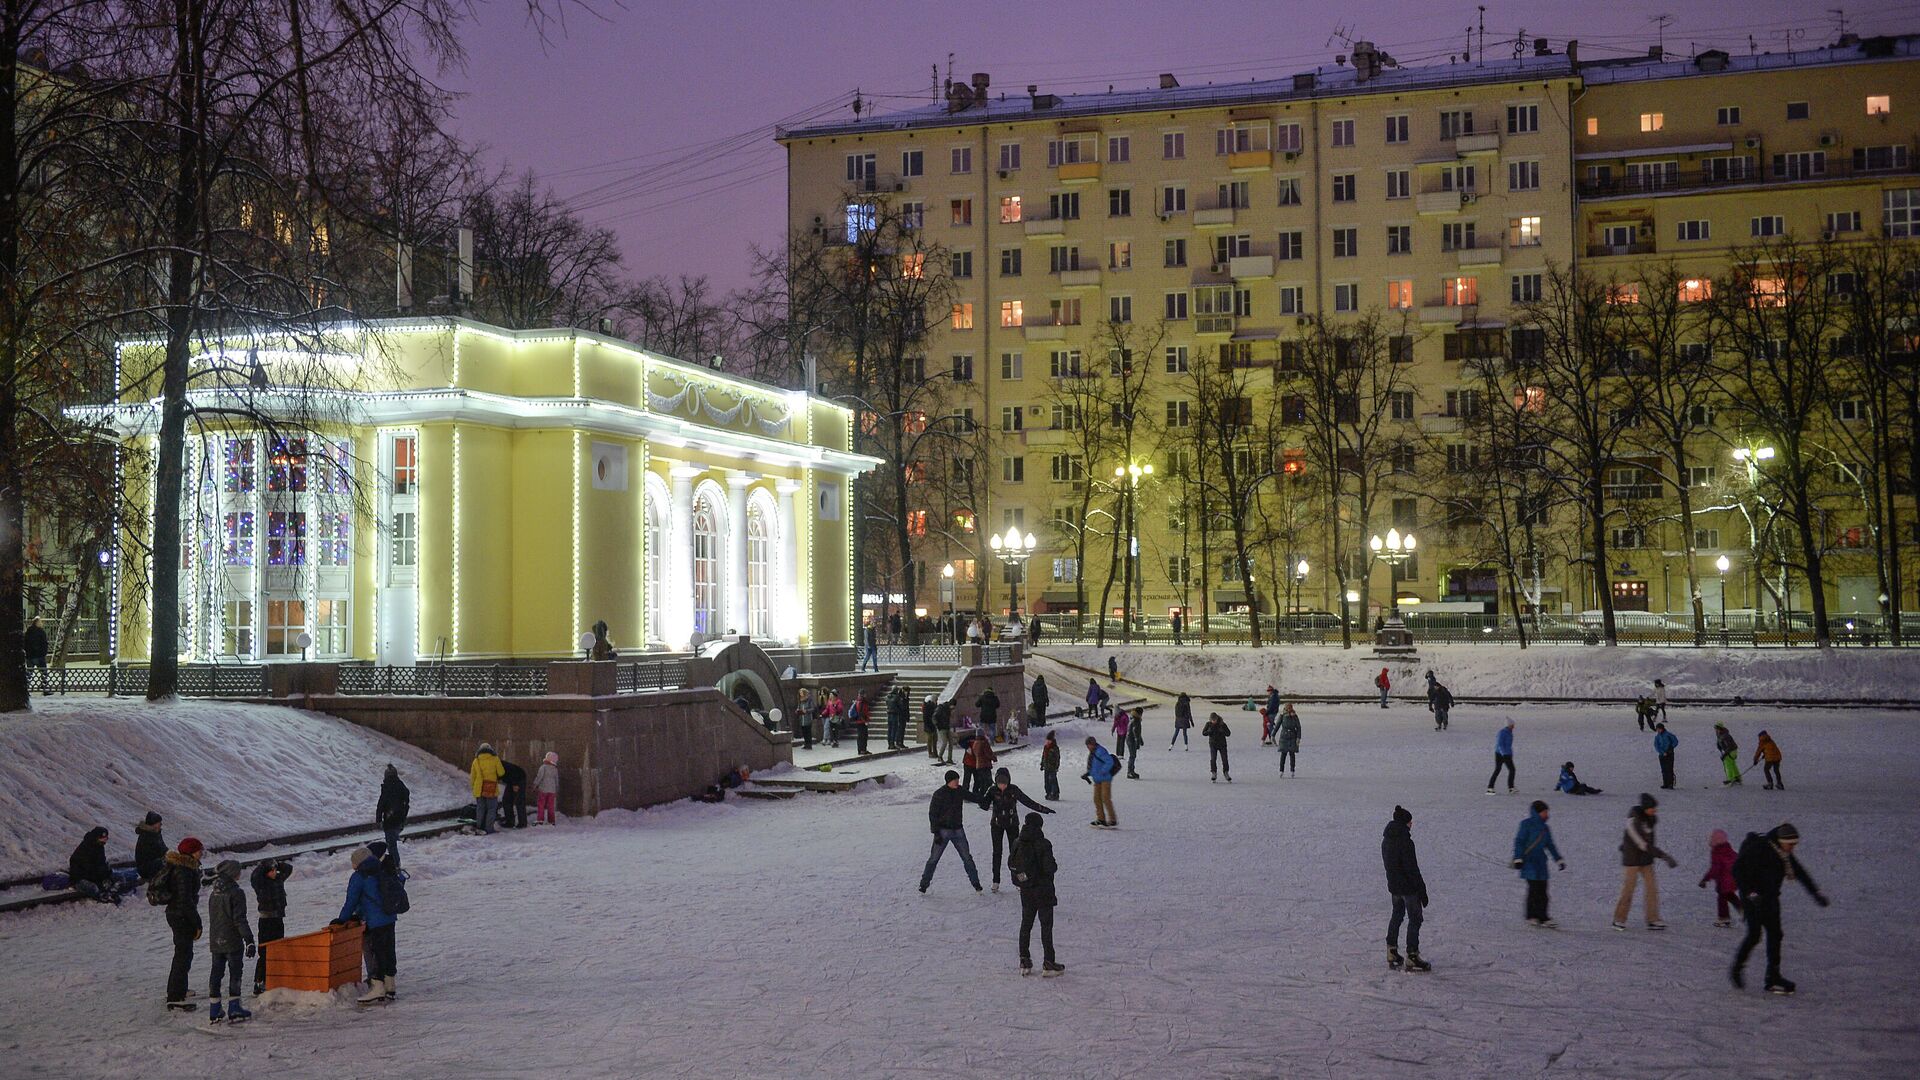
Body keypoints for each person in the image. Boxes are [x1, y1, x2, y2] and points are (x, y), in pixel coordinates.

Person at [1731, 822, 1829, 994]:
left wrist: (1816, 893)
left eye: (1794, 845)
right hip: (1752, 899)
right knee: (1754, 935)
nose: (1792, 848)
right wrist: (1750, 893)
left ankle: (1773, 977)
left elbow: (1800, 873)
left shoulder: (1783, 853)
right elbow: (1738, 870)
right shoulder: (1760, 849)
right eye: (1790, 844)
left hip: (1770, 898)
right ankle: (1737, 968)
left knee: (1775, 934)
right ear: (1781, 840)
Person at [334, 845, 399, 1003]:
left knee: (377, 953)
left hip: (375, 921)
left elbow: (351, 901)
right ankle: (390, 986)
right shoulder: (382, 868)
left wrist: (342, 919)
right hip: (390, 917)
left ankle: (377, 987)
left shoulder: (359, 876)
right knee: (389, 950)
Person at [981, 766, 1053, 891]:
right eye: (999, 783)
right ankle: (996, 881)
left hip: (1012, 824)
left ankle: (1019, 879)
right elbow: (983, 803)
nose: (1002, 786)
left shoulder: (1013, 790)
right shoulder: (992, 790)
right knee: (997, 853)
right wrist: (982, 800)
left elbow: (1027, 801)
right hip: (996, 825)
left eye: (1004, 783)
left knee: (1016, 853)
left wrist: (1042, 809)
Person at [1612, 793, 1677, 930]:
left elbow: (1649, 841)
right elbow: (1642, 844)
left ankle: (1652, 919)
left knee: (1652, 889)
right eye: (1652, 808)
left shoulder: (1650, 819)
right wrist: (1664, 856)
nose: (1655, 810)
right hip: (1632, 859)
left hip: (1646, 859)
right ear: (1645, 808)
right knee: (1628, 889)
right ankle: (1619, 919)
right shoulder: (1633, 821)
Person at [1009, 813, 1063, 976]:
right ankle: (1048, 962)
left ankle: (1024, 960)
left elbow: (1011, 863)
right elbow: (1049, 868)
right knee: (1046, 926)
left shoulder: (1017, 842)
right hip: (1043, 889)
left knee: (1026, 924)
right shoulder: (1043, 844)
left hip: (1026, 890)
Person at [203, 860, 255, 1023]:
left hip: (216, 939)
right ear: (233, 873)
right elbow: (239, 919)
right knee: (235, 972)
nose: (240, 874)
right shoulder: (236, 892)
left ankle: (215, 1007)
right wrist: (249, 940)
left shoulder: (214, 892)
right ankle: (234, 1006)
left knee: (216, 972)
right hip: (232, 940)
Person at [1382, 805, 1431, 972]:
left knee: (1397, 915)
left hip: (1394, 886)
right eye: (1410, 822)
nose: (1412, 825)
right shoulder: (1406, 842)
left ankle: (1392, 951)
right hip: (1408, 888)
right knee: (1415, 919)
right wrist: (1422, 891)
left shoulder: (1386, 839)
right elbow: (1412, 869)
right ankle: (1412, 955)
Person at [159, 837, 205, 1011]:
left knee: (184, 954)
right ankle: (175, 997)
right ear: (191, 852)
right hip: (180, 915)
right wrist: (197, 923)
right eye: (199, 850)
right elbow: (186, 901)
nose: (201, 853)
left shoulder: (185, 867)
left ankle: (179, 989)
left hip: (177, 913)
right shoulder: (184, 871)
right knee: (182, 956)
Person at [918, 771, 984, 893]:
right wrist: (936, 832)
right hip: (943, 831)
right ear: (948, 781)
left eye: (958, 780)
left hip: (958, 830)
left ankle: (976, 884)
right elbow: (933, 815)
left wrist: (986, 797)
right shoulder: (939, 794)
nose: (957, 783)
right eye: (955, 780)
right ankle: (924, 884)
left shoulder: (959, 790)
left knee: (967, 858)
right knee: (934, 859)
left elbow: (973, 797)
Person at [1511, 801, 1566, 927]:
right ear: (1537, 812)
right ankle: (1532, 915)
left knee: (1543, 891)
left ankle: (1543, 916)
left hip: (1541, 863)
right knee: (1534, 890)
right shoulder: (1526, 825)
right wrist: (1518, 858)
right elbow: (1519, 841)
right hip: (1529, 863)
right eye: (1544, 812)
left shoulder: (1545, 828)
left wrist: (1558, 859)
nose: (1547, 815)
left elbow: (1550, 845)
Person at [248, 859, 292, 994]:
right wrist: (263, 866)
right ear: (265, 872)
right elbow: (254, 876)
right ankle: (259, 981)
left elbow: (288, 868)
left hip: (278, 919)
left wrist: (277, 864)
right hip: (266, 921)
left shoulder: (278, 879)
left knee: (278, 949)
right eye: (271, 871)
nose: (274, 872)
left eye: (275, 870)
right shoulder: (260, 883)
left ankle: (273, 978)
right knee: (265, 951)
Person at [68, 826, 121, 904]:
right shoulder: (85, 848)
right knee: (93, 887)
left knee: (117, 878)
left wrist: (107, 873)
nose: (105, 841)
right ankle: (102, 896)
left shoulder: (99, 847)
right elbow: (84, 868)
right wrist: (99, 876)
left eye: (106, 839)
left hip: (95, 876)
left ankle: (111, 891)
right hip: (81, 878)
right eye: (103, 838)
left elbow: (101, 863)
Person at [1699, 828, 1740, 928]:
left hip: (1723, 881)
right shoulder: (1729, 849)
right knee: (1730, 895)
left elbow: (1715, 869)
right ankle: (1743, 910)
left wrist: (1705, 879)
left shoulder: (1716, 852)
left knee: (1722, 898)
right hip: (1733, 879)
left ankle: (1724, 918)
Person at [1082, 737, 1120, 828]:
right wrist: (1088, 774)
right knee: (1096, 799)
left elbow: (1109, 762)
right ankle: (1101, 818)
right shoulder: (1093, 753)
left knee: (1105, 798)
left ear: (1093, 744)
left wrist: (1103, 771)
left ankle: (1113, 819)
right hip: (1097, 779)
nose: (1088, 747)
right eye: (1087, 745)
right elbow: (1094, 767)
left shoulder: (1100, 751)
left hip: (1105, 779)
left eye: (1089, 745)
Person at [376, 764, 410, 862]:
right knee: (392, 841)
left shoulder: (387, 788)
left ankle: (395, 865)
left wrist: (378, 819)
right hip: (400, 819)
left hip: (390, 820)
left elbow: (381, 804)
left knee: (391, 845)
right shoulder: (402, 786)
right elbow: (406, 802)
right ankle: (394, 863)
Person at [469, 743, 504, 834]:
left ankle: (479, 827)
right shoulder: (495, 759)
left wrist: (473, 787)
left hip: (479, 788)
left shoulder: (476, 760)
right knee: (491, 809)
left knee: (480, 808)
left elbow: (472, 776)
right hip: (491, 787)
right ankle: (489, 828)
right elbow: (501, 772)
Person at [963, 731, 997, 800]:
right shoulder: (982, 742)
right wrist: (993, 758)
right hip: (978, 764)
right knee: (983, 781)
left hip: (976, 764)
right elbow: (988, 753)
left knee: (976, 780)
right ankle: (979, 796)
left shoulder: (975, 742)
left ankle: (972, 795)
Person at [134, 811, 167, 883]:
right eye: (159, 822)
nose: (161, 824)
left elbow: (163, 849)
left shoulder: (156, 834)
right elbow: (154, 853)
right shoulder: (147, 836)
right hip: (145, 868)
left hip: (152, 864)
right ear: (153, 824)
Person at [1487, 720, 1516, 794]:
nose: (1513, 726)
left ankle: (1491, 787)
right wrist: (1504, 754)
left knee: (1503, 770)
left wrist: (1510, 753)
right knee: (1510, 770)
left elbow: (1508, 745)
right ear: (1509, 725)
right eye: (1512, 725)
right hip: (1501, 754)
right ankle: (1510, 788)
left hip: (1506, 754)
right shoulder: (1503, 732)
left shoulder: (1509, 733)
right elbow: (1500, 744)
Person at [1202, 712, 1232, 783]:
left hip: (1222, 744)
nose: (1213, 722)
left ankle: (1226, 772)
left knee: (1224, 759)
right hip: (1213, 744)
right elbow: (1203, 733)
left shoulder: (1222, 724)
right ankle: (1214, 772)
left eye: (1214, 720)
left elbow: (1228, 733)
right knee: (1213, 759)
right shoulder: (1208, 724)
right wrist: (1209, 731)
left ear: (1217, 719)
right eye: (1212, 720)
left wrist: (1223, 731)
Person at [500, 758, 529, 829]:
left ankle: (522, 823)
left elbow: (513, 772)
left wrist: (515, 784)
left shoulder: (499, 764)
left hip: (518, 778)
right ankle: (510, 822)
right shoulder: (493, 763)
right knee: (506, 800)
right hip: (511, 780)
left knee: (519, 801)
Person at [533, 751, 561, 825]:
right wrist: (557, 788)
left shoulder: (543, 767)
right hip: (552, 790)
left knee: (541, 805)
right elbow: (556, 780)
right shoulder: (555, 769)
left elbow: (539, 777)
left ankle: (540, 820)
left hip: (543, 789)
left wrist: (535, 785)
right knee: (551, 806)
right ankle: (551, 821)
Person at [24, 616, 48, 691]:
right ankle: (44, 687)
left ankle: (26, 686)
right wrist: (44, 653)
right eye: (40, 622)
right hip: (39, 655)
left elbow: (25, 643)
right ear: (37, 623)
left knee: (29, 672)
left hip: (30, 656)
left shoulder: (28, 632)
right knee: (44, 672)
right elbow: (44, 643)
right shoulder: (41, 632)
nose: (42, 623)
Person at [1276, 703, 1301, 776]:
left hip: (1293, 737)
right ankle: (1281, 770)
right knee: (1283, 754)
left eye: (1290, 708)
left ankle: (1292, 770)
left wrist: (1298, 737)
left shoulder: (1295, 717)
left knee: (1292, 754)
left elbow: (1298, 727)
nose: (1289, 709)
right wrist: (1273, 735)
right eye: (1287, 708)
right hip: (1284, 737)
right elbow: (1277, 725)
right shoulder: (1282, 716)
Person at [1654, 722, 1679, 790]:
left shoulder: (1668, 735)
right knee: (1663, 769)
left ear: (1662, 729)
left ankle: (1670, 783)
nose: (1658, 730)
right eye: (1657, 729)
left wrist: (1670, 748)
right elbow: (1656, 746)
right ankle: (1665, 783)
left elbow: (1675, 741)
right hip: (1662, 755)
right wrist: (1662, 752)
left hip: (1669, 754)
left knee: (1669, 769)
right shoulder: (1657, 737)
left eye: (1659, 729)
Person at [1040, 730, 1062, 800]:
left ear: (1052, 741)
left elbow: (1057, 758)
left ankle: (1055, 794)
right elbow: (1043, 756)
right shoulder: (1046, 747)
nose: (1047, 742)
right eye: (1047, 740)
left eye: (1049, 740)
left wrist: (1056, 766)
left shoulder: (1055, 748)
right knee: (1046, 782)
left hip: (1052, 767)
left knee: (1053, 781)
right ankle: (1048, 793)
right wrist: (1042, 764)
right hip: (1046, 767)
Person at [933, 698, 955, 763]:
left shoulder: (949, 709)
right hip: (941, 728)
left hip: (947, 727)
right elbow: (934, 716)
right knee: (944, 742)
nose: (953, 708)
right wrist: (937, 725)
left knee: (951, 742)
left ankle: (949, 759)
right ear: (951, 704)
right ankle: (940, 756)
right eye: (953, 706)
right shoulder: (941, 708)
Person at [852, 690, 873, 755]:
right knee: (862, 736)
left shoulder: (862, 702)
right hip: (861, 722)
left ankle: (862, 749)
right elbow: (860, 713)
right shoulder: (861, 702)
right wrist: (865, 721)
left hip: (861, 721)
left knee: (863, 736)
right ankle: (862, 750)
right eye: (865, 694)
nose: (866, 695)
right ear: (863, 694)